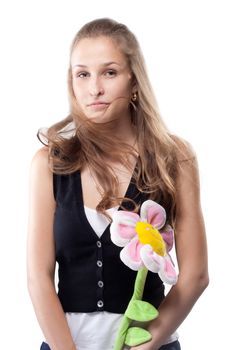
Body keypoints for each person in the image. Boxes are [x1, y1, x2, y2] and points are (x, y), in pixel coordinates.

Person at [27, 18, 209, 350]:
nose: (94, 88)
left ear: (134, 81)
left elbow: (195, 275)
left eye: (109, 72)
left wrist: (145, 345)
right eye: (82, 74)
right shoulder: (48, 164)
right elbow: (38, 278)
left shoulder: (175, 159)